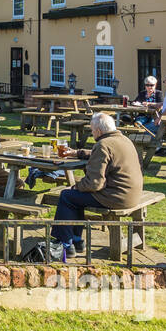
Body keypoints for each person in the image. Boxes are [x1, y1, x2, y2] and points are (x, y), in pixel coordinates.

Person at [49, 112, 143, 261]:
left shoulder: (103, 144)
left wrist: (76, 186)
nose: (92, 133)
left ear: (98, 131)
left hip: (116, 197)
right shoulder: (123, 139)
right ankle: (76, 240)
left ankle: (65, 244)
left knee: (67, 196)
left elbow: (94, 184)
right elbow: (99, 155)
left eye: (92, 130)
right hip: (132, 193)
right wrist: (77, 153)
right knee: (76, 198)